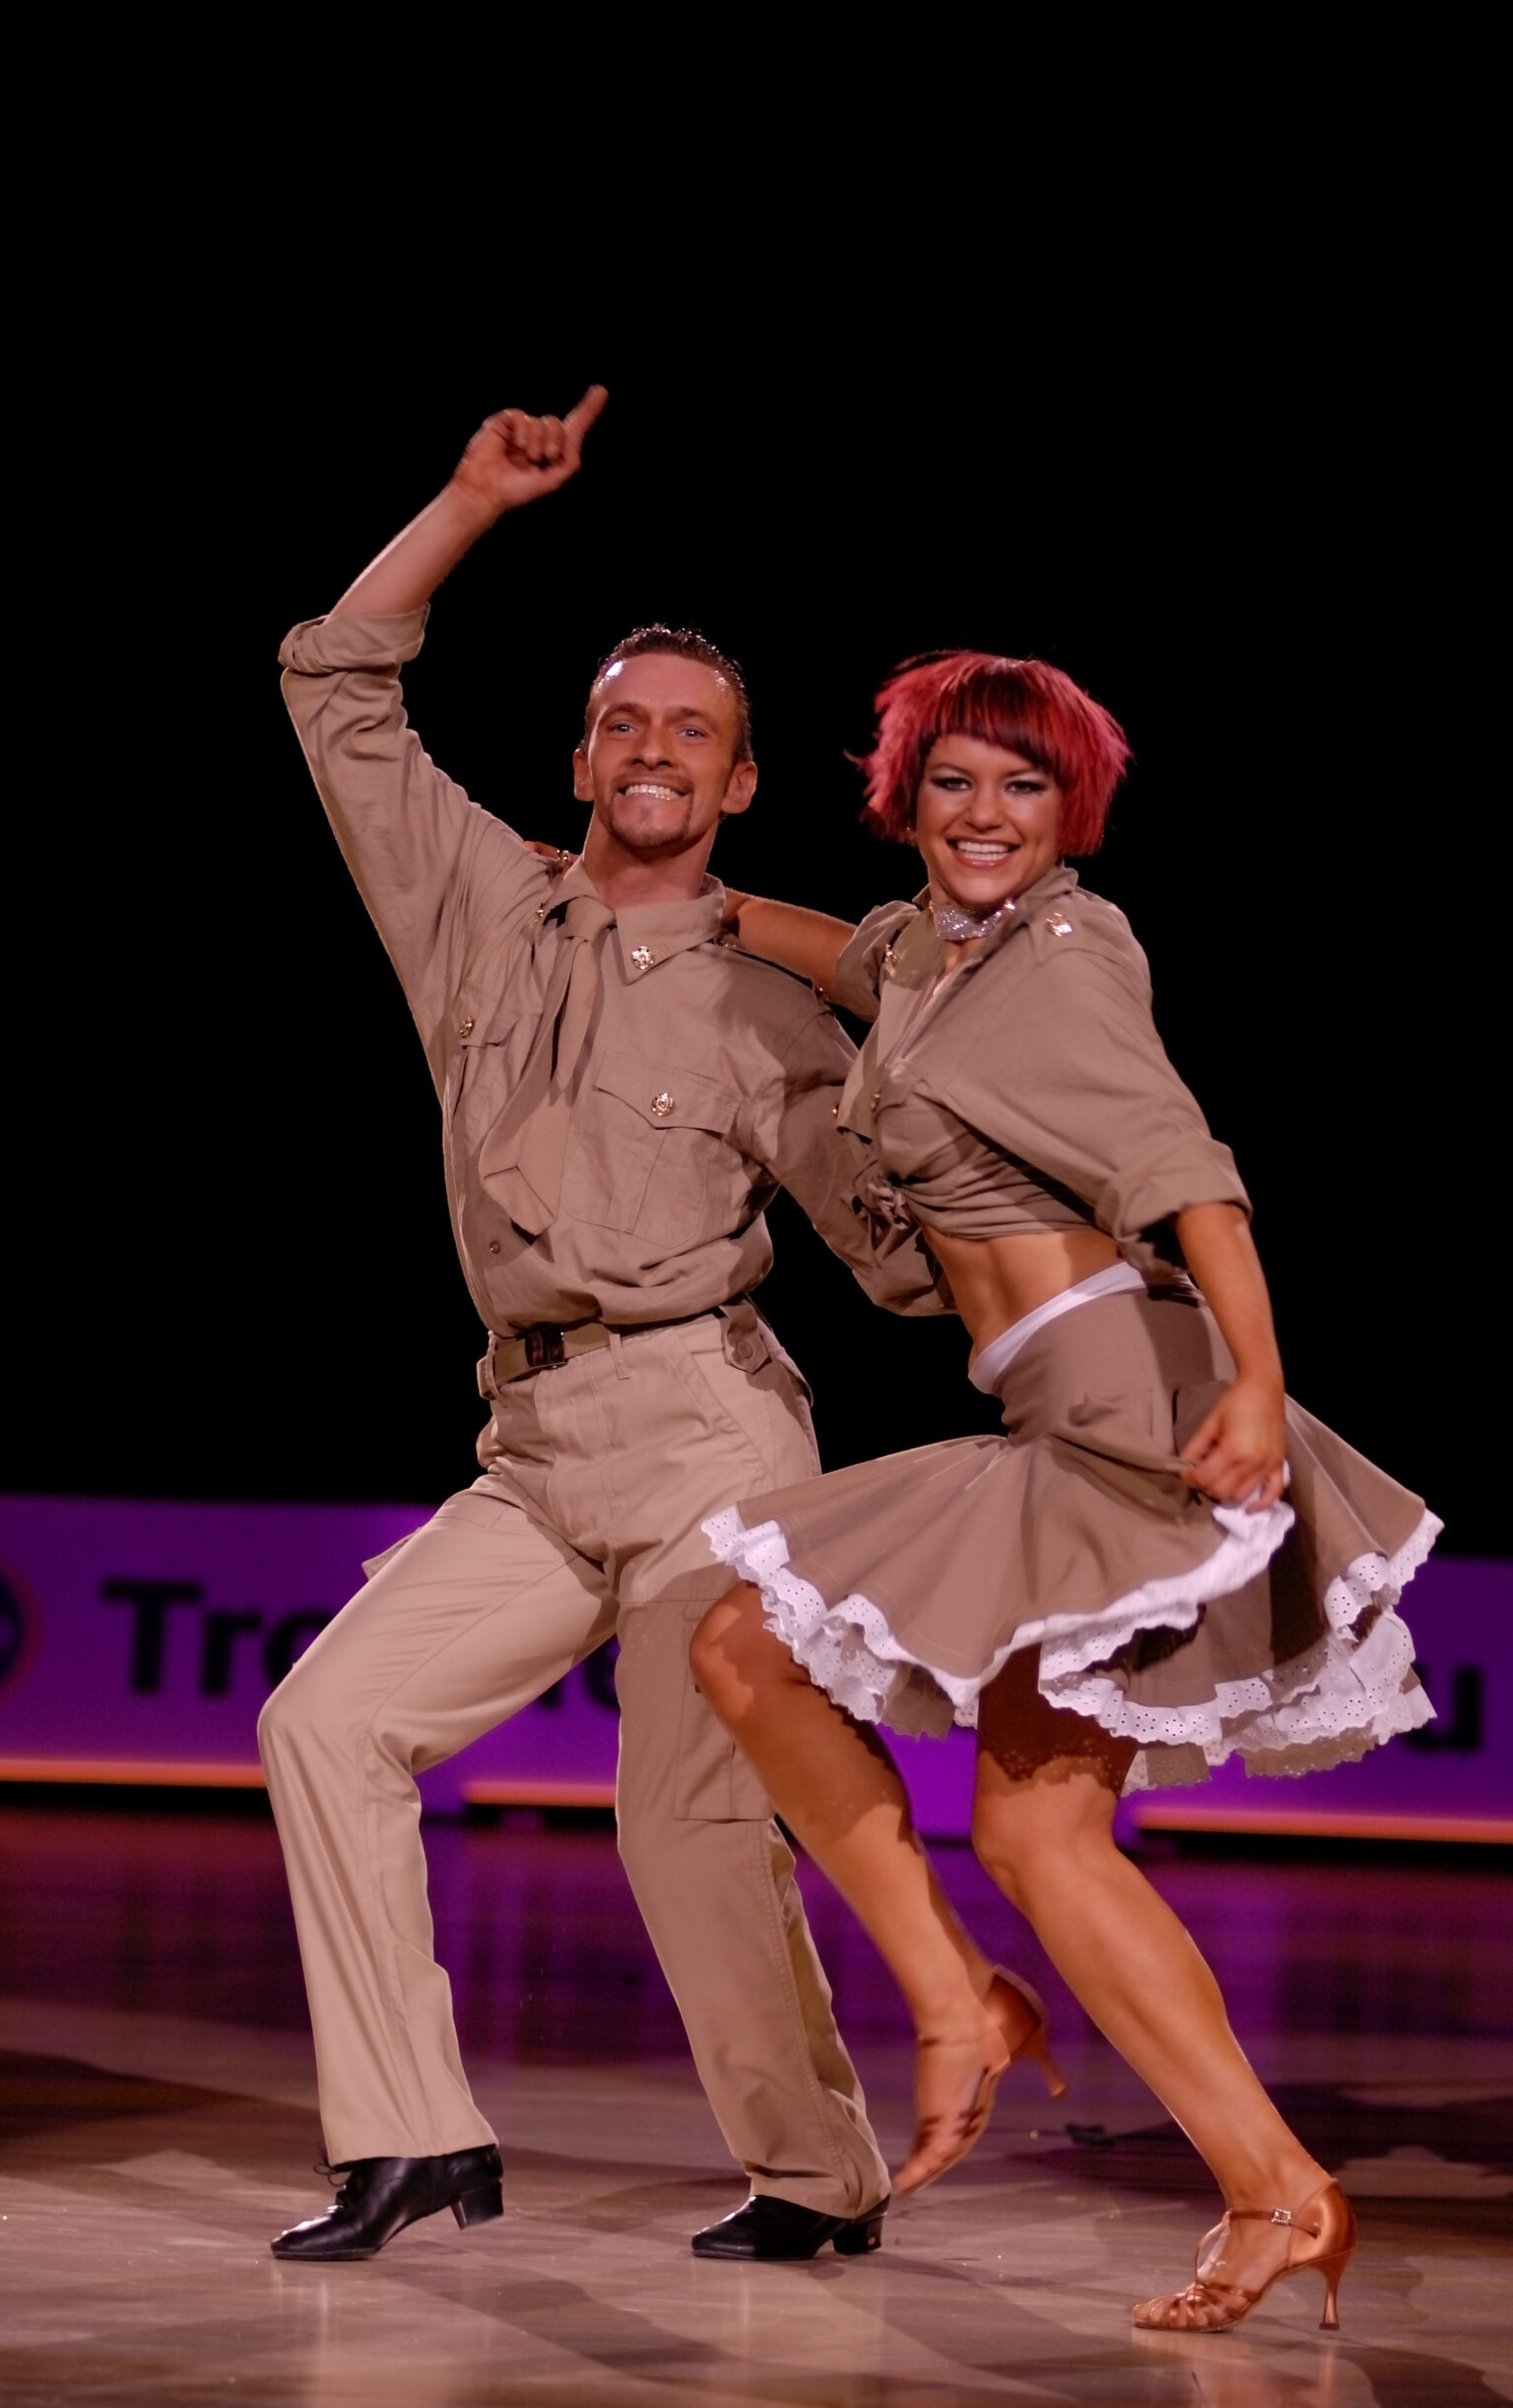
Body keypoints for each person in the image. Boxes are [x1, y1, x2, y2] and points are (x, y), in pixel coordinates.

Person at [259, 391, 976, 2266]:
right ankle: (410, 2138)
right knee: (323, 1721)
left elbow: (895, 1261)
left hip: (709, 1441)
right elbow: (334, 677)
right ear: (582, 754)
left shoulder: (773, 1003)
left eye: (695, 733)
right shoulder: (481, 916)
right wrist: (470, 502)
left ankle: (815, 2178)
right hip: (529, 1441)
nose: (653, 747)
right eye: (626, 719)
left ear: (738, 786)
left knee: (682, 1829)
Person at [691, 647, 1439, 2333]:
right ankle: (1268, 2187)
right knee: (1025, 1820)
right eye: (952, 780)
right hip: (1058, 1408)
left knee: (755, 1651)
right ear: (904, 797)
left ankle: (986, 2018)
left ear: (1068, 809)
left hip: (1129, 1408)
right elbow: (846, 952)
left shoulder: (1065, 954)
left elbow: (1185, 1172)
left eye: (1021, 786)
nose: (984, 814)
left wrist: (1251, 1379)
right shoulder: (941, 958)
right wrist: (664, 889)